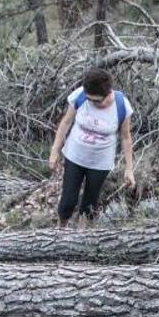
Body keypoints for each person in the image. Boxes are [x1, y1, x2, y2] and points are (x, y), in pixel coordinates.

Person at [48, 68, 136, 228]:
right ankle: (60, 233)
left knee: (90, 202)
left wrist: (129, 169)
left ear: (108, 94)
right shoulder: (80, 95)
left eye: (96, 101)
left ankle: (82, 236)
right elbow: (66, 122)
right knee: (68, 201)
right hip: (75, 156)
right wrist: (54, 151)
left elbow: (125, 137)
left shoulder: (121, 105)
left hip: (100, 162)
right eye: (89, 99)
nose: (92, 103)